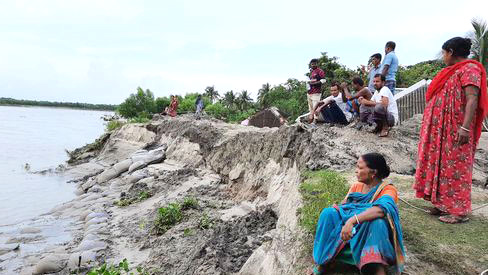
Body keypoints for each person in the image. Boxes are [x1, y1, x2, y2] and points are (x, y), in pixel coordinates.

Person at [414, 37, 488, 224]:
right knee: (440, 164)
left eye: (444, 52)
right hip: (441, 130)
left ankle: (459, 211)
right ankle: (441, 203)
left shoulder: (470, 69)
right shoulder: (450, 72)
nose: (443, 56)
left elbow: (472, 98)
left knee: (457, 167)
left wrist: (465, 127)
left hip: (457, 128)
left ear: (451, 52)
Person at [310, 153, 405, 275]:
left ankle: (376, 267)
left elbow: (381, 210)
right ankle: (325, 261)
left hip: (370, 230)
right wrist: (347, 218)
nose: (356, 171)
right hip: (353, 229)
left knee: (378, 222)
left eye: (360, 168)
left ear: (373, 172)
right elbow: (345, 208)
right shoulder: (356, 186)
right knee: (328, 213)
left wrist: (352, 221)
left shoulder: (388, 189)